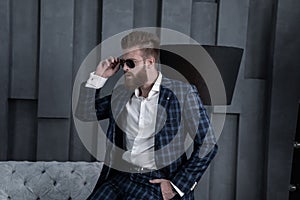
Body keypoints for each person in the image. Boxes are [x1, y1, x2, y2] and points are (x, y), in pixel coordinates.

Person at [75, 31, 218, 200]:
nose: (125, 68)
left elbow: (207, 144)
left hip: (155, 182)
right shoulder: (122, 94)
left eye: (131, 63)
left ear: (150, 62)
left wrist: (176, 186)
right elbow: (85, 113)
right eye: (123, 63)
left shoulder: (182, 93)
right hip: (122, 176)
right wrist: (98, 77)